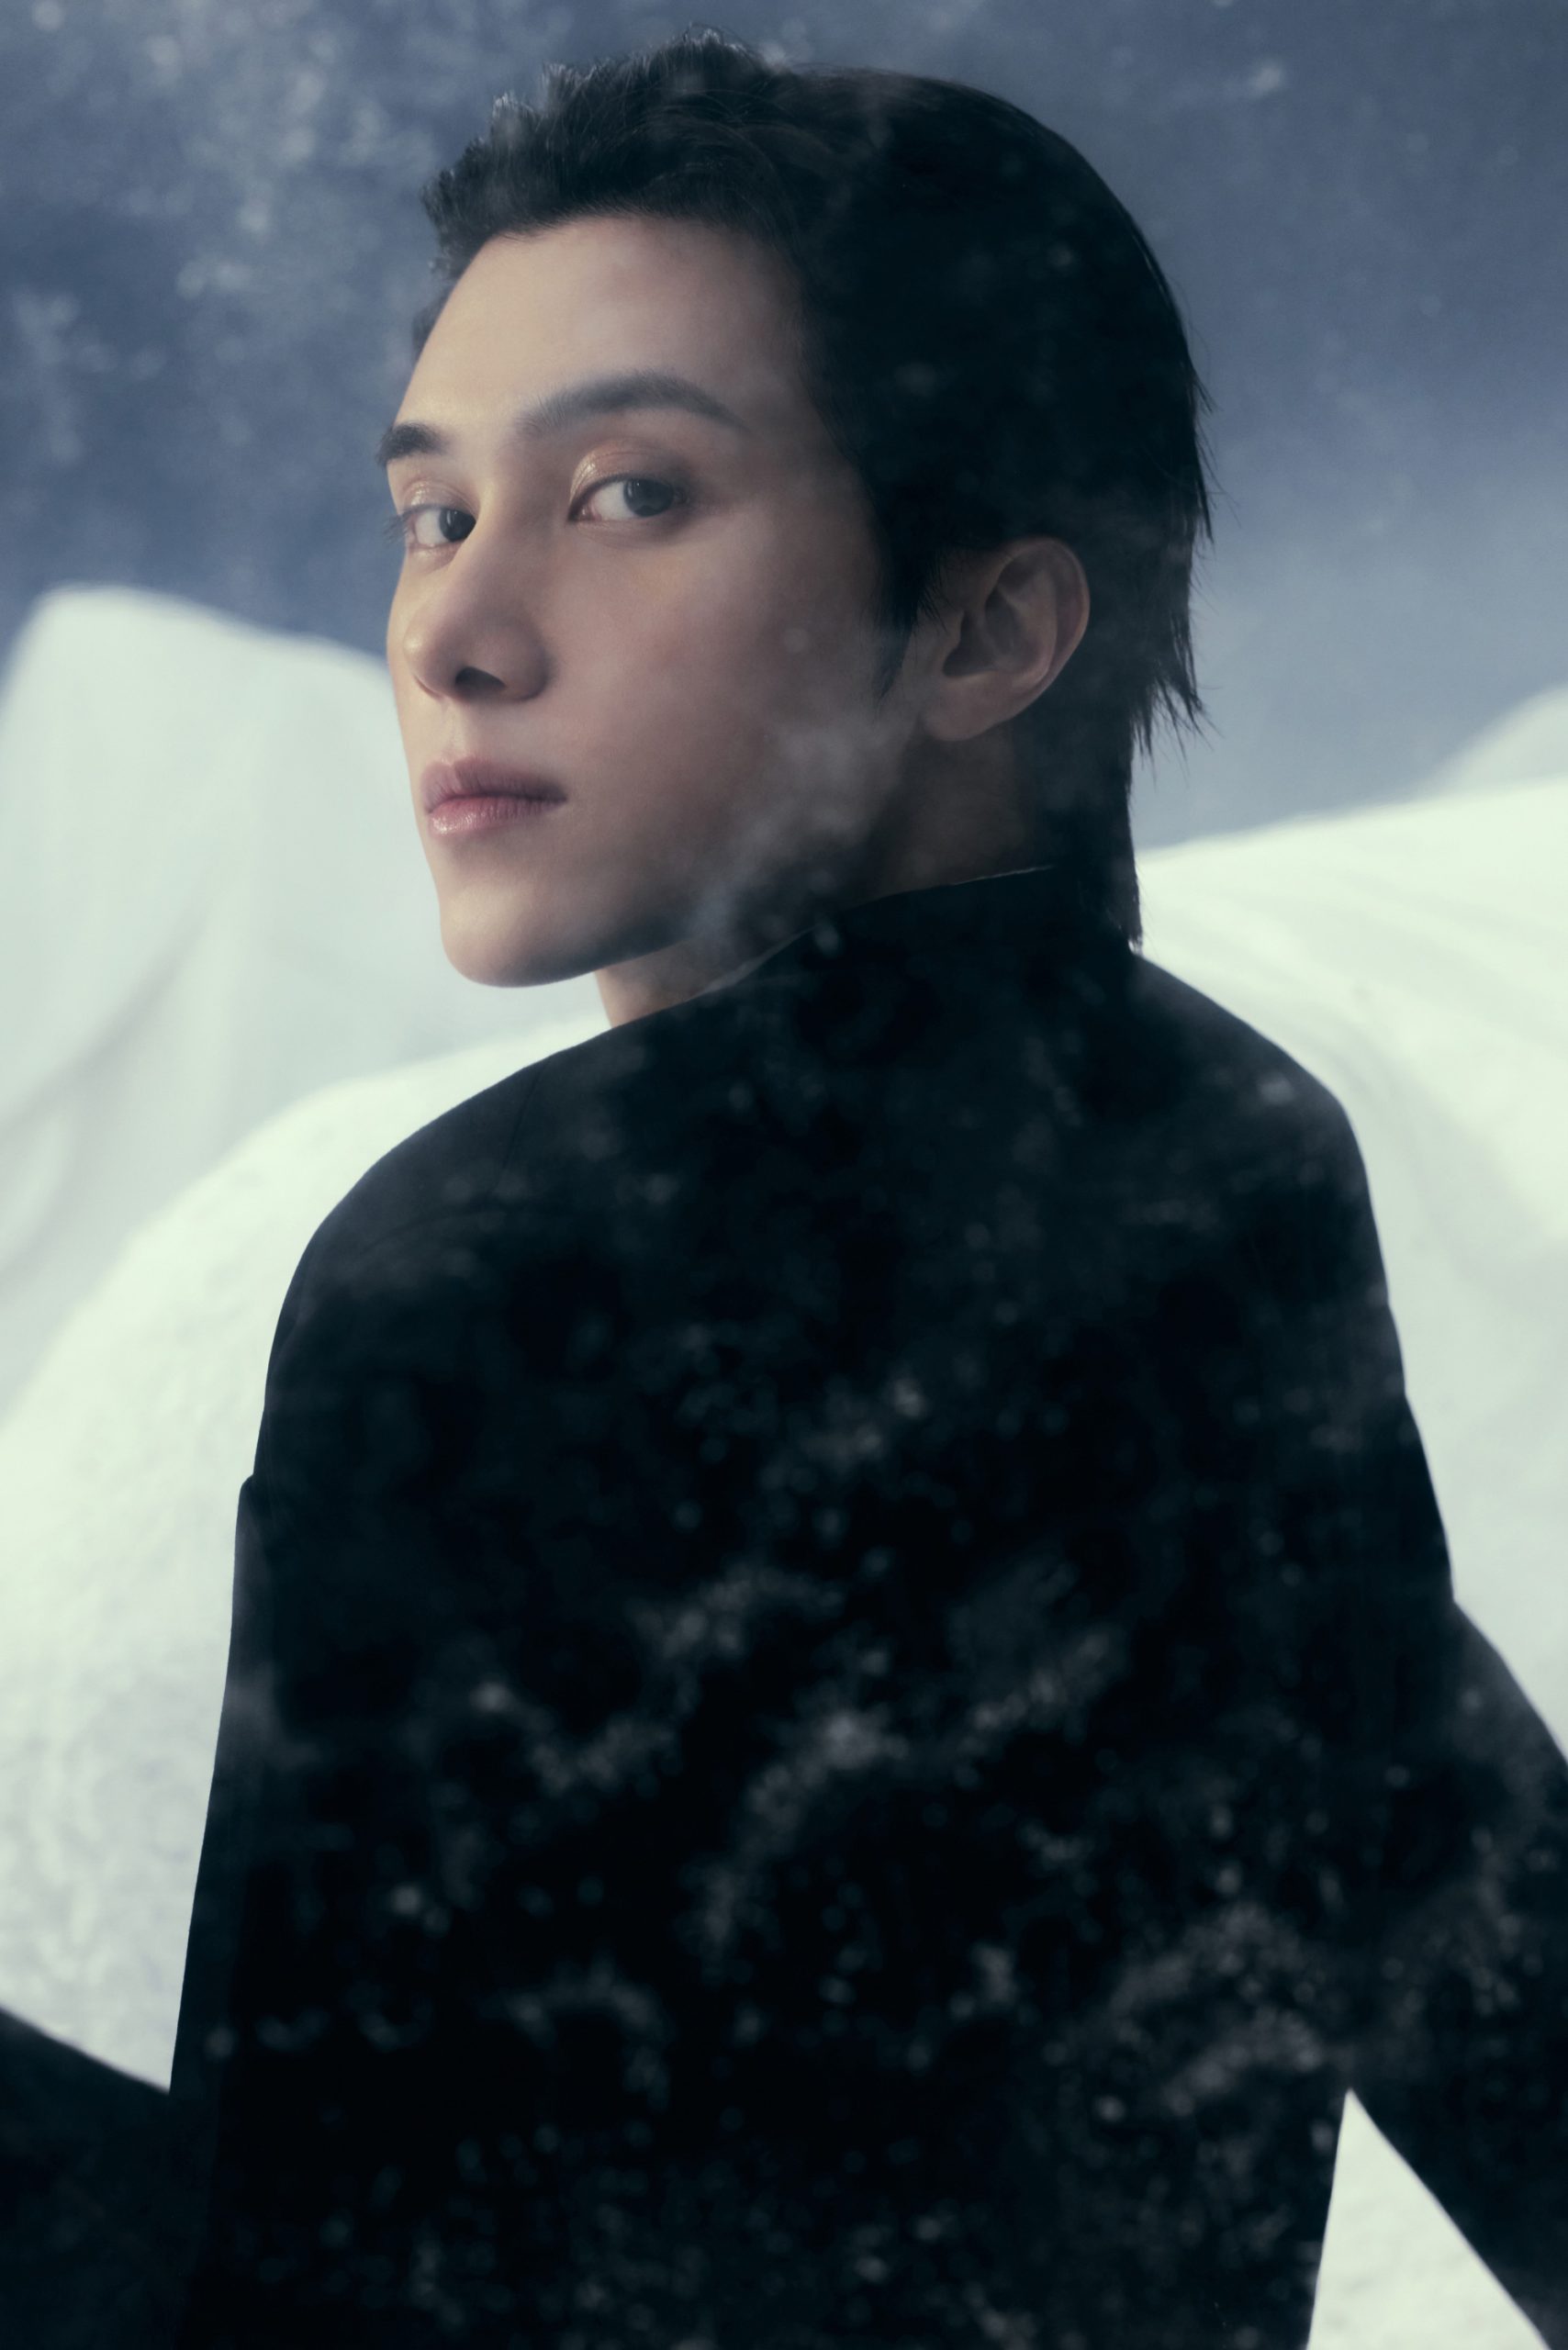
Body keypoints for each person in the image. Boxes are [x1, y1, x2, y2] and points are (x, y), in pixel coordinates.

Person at [10, 28, 1567, 2347]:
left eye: (627, 492)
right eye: (432, 512)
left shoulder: (482, 1269)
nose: (453, 631)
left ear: (989, 626)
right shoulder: (1223, 1139)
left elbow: (307, 2289)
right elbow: (1471, 1965)